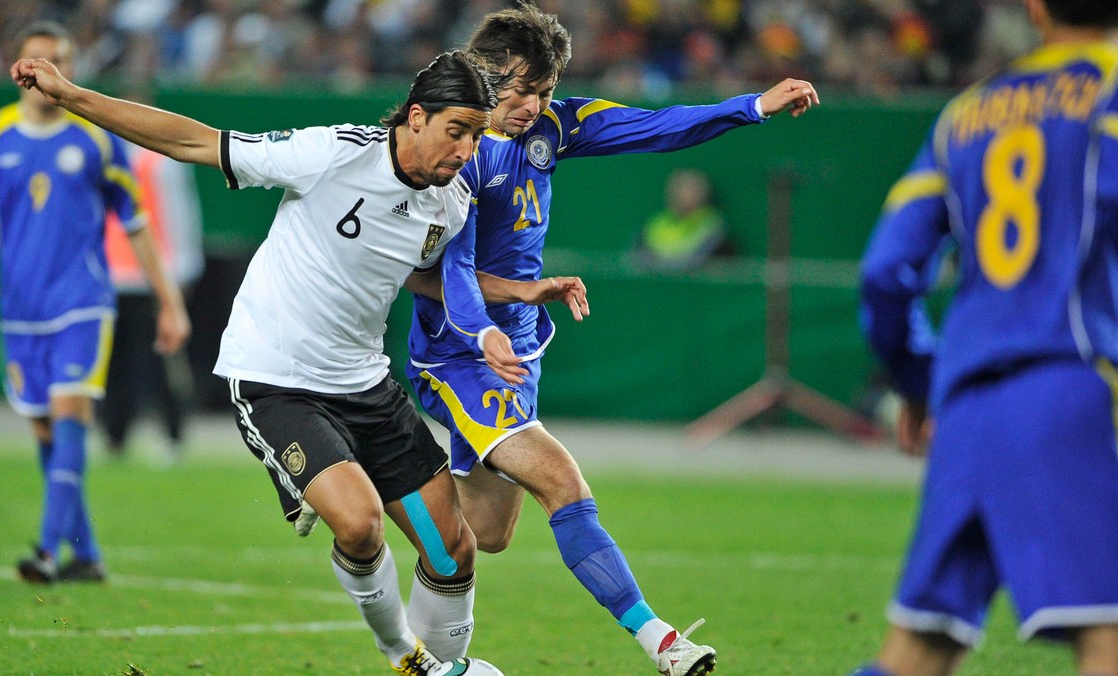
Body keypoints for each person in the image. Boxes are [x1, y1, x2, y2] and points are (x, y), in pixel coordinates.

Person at [11, 47, 580, 674]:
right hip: (276, 381)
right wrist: (71, 95)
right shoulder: (334, 153)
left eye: (476, 137)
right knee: (361, 525)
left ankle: (446, 665)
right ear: (416, 117)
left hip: (365, 388)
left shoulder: (447, 205)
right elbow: (195, 142)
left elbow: (430, 280)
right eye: (457, 133)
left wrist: (521, 291)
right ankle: (403, 654)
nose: (467, 153)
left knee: (452, 551)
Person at [405, 4, 819, 675]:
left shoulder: (554, 128)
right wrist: (480, 330)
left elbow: (655, 126)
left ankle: (363, 482)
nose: (535, 104)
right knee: (563, 482)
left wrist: (752, 107)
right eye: (522, 88)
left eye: (544, 89)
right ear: (483, 75)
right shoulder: (460, 150)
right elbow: (444, 266)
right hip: (462, 351)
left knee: (485, 534)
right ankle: (660, 640)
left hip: (516, 345)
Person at [856, 1, 1118, 674]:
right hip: (1080, 387)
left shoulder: (966, 114)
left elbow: (887, 273)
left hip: (969, 405)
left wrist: (921, 384)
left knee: (919, 647)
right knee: (1108, 636)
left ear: (1035, 8)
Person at [0, 21, 191, 586]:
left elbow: (138, 224)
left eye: (59, 60)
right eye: (37, 59)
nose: (47, 70)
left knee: (71, 413)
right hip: (20, 311)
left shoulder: (96, 140)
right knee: (47, 435)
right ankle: (88, 555)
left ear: (71, 72)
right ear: (17, 69)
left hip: (83, 302)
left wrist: (169, 301)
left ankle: (48, 552)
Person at [100, 132, 205, 459]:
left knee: (161, 359)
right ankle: (114, 436)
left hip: (152, 277)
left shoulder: (160, 160)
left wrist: (181, 271)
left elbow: (180, 213)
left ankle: (172, 434)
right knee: (112, 363)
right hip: (112, 276)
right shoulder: (100, 155)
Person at [635, 168, 734, 271]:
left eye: (688, 189)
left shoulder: (713, 225)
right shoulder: (654, 224)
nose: (679, 193)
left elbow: (699, 261)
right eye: (676, 188)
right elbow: (640, 259)